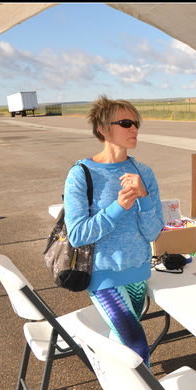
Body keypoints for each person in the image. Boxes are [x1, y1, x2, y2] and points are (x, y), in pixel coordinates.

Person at [63, 95, 164, 367]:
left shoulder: (143, 172)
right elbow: (78, 234)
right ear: (103, 129)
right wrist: (119, 206)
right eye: (126, 123)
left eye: (136, 123)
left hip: (138, 271)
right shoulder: (81, 173)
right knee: (136, 346)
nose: (134, 129)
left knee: (121, 341)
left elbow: (154, 232)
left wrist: (142, 198)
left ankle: (110, 377)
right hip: (103, 275)